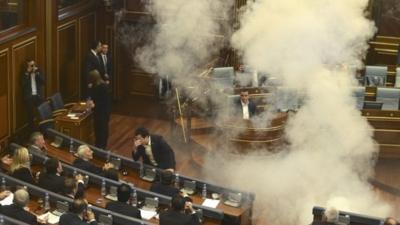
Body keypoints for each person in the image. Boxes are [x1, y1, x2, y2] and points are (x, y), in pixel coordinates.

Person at [87, 70, 111, 149]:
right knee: (98, 129)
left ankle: (102, 147)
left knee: (102, 130)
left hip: (102, 112)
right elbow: (92, 96)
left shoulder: (103, 87)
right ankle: (98, 145)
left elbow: (104, 102)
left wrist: (95, 105)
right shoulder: (95, 85)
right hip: (98, 112)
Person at [21, 60, 45, 130]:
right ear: (27, 66)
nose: (32, 67)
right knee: (30, 116)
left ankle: (42, 130)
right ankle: (32, 132)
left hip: (38, 96)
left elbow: (43, 82)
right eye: (30, 65)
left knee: (41, 114)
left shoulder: (39, 71)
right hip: (29, 97)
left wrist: (37, 73)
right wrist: (27, 72)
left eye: (33, 65)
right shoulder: (24, 73)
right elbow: (23, 84)